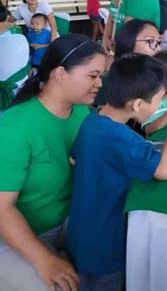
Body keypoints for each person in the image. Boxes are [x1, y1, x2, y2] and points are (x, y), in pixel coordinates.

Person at [66, 54, 167, 291]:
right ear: (138, 105)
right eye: (159, 100)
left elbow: (74, 159)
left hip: (80, 232)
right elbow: (163, 171)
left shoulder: (92, 120)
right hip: (106, 242)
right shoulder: (123, 137)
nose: (161, 105)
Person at [0, 35, 105, 291]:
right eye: (93, 76)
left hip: (67, 219)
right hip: (15, 233)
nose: (100, 83)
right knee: (61, 286)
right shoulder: (14, 127)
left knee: (118, 248)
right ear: (60, 74)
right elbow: (2, 210)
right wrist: (43, 259)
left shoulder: (79, 110)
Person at [94, 19, 163, 107]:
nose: (159, 48)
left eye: (158, 42)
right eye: (151, 41)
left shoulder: (158, 75)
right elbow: (104, 114)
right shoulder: (109, 80)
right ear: (129, 42)